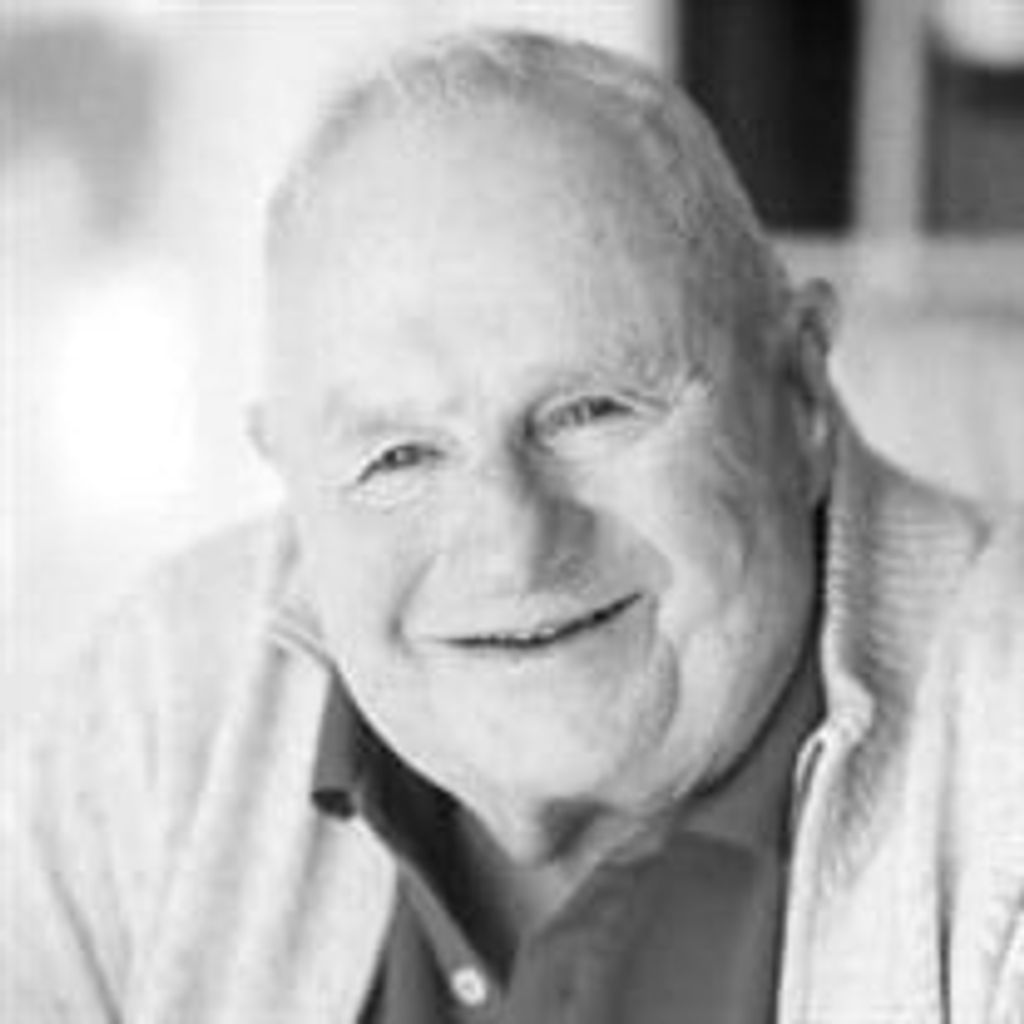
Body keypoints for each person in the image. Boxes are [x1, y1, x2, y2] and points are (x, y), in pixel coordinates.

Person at [2, 30, 1022, 1024]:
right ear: (293, 478)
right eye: (399, 457)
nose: (513, 544)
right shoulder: (162, 706)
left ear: (797, 393)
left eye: (590, 411)